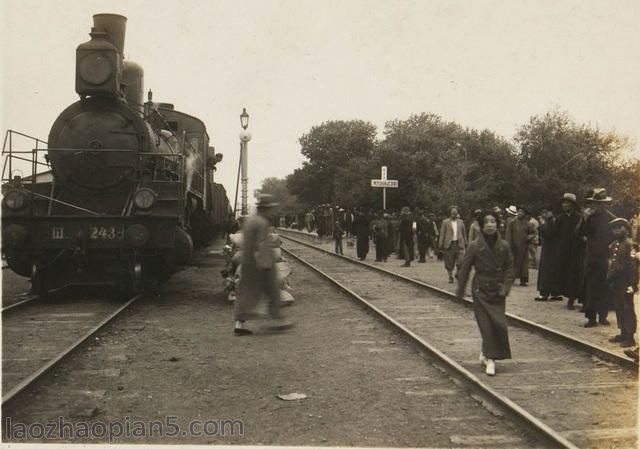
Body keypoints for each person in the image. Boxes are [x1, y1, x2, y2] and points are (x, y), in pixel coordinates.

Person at [457, 210, 514, 376]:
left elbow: (510, 268)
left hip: (497, 292)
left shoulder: (504, 246)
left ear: (498, 224)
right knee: (486, 326)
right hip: (480, 290)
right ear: (481, 226)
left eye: (493, 222)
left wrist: (505, 287)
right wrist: (460, 291)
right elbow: (465, 268)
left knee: (499, 324)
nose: (490, 225)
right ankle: (490, 359)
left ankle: (486, 353)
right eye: (486, 222)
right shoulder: (474, 246)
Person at [233, 194, 293, 335]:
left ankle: (239, 324)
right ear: (265, 209)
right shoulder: (262, 223)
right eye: (270, 209)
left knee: (246, 293)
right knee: (273, 291)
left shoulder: (250, 221)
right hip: (261, 264)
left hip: (247, 262)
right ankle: (278, 321)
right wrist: (265, 265)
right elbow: (261, 245)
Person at [576, 188, 616, 327]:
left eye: (601, 203)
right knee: (591, 288)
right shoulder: (588, 217)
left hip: (606, 256)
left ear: (605, 204)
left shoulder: (611, 218)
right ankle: (591, 317)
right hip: (592, 256)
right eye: (596, 203)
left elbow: (617, 235)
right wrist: (584, 219)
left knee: (605, 287)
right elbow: (579, 233)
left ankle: (603, 316)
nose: (598, 206)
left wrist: (612, 254)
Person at [606, 218, 637, 347]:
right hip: (617, 281)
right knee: (619, 307)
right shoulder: (614, 245)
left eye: (620, 227)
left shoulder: (630, 245)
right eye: (614, 228)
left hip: (626, 281)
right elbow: (612, 263)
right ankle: (623, 332)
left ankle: (630, 336)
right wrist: (610, 277)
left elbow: (633, 266)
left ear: (626, 228)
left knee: (627, 308)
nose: (617, 230)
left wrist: (633, 284)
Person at [555, 193, 582, 309]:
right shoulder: (560, 218)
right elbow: (555, 233)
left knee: (575, 274)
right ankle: (569, 296)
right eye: (564, 203)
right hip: (564, 251)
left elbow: (582, 232)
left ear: (572, 205)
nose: (565, 205)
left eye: (568, 203)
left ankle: (572, 298)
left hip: (576, 250)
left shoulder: (578, 217)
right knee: (565, 274)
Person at [535, 209, 562, 301]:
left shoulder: (550, 223)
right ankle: (554, 292)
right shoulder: (555, 221)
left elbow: (548, 234)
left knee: (545, 270)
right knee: (554, 270)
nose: (544, 215)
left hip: (549, 249)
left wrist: (541, 224)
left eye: (546, 212)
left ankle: (544, 293)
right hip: (555, 249)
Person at [506, 206, 533, 286]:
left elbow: (533, 232)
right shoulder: (512, 222)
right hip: (514, 246)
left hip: (524, 247)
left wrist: (530, 236)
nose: (520, 213)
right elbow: (508, 234)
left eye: (522, 212)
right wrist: (508, 244)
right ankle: (511, 279)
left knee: (524, 264)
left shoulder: (527, 223)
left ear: (524, 214)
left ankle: (523, 280)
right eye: (519, 211)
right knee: (513, 263)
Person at [439, 206, 467, 283]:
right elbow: (442, 234)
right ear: (450, 213)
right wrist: (441, 244)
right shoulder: (445, 222)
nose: (454, 214)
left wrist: (466, 242)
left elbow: (464, 233)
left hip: (459, 244)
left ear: (457, 213)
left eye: (455, 213)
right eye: (452, 213)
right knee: (449, 262)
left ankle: (458, 272)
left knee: (461, 261)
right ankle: (450, 276)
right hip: (449, 244)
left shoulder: (461, 222)